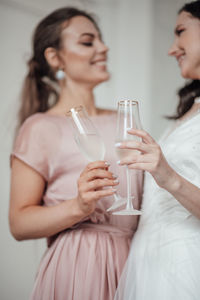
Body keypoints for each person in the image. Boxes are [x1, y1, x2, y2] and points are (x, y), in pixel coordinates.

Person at [8, 7, 143, 300]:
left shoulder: (125, 121)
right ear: (55, 58)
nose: (103, 48)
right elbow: (18, 224)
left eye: (101, 40)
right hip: (79, 266)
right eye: (87, 41)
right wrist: (78, 207)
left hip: (135, 264)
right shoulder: (40, 127)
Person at [115, 1, 200, 299]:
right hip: (148, 257)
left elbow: (170, 179)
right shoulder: (192, 107)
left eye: (181, 32)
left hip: (188, 261)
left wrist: (170, 178)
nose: (172, 49)